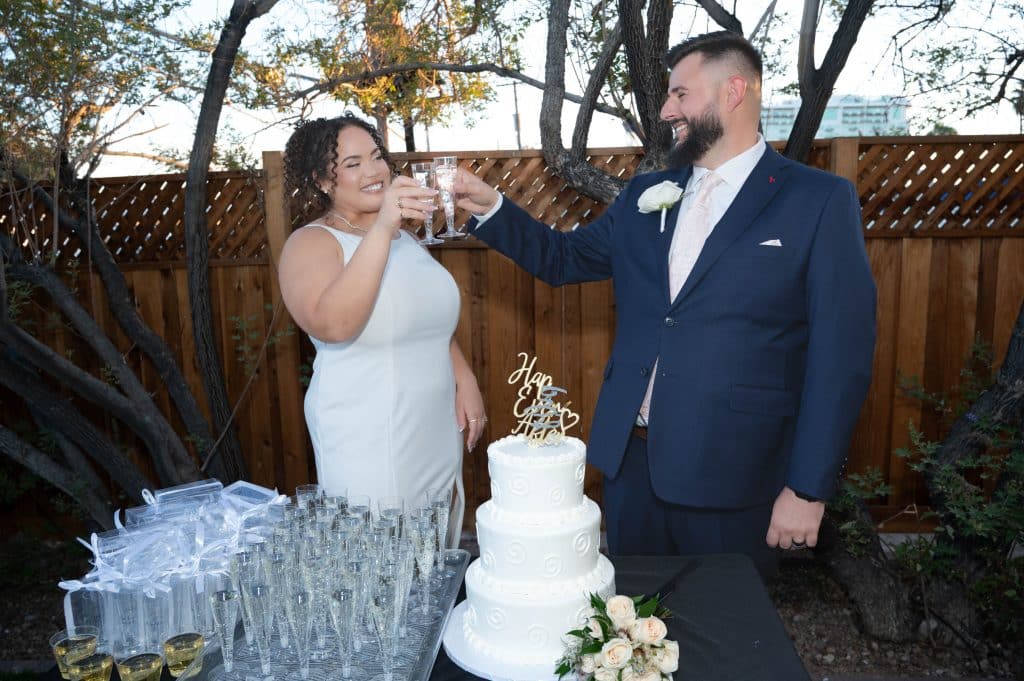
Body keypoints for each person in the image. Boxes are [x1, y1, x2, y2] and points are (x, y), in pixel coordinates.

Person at [454, 31, 876, 577]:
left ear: (733, 92)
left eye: (680, 94)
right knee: (633, 634)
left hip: (738, 475)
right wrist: (492, 207)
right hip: (633, 467)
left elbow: (841, 356)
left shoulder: (817, 201)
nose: (665, 109)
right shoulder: (644, 195)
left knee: (725, 641)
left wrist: (808, 488)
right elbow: (562, 260)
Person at [278, 114, 485, 545]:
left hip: (432, 426)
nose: (373, 171)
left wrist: (464, 378)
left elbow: (426, 321)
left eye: (376, 156)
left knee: (433, 554)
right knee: (381, 557)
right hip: (366, 431)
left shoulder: (406, 240)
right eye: (352, 163)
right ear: (322, 180)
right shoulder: (310, 243)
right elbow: (335, 324)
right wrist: (385, 226)